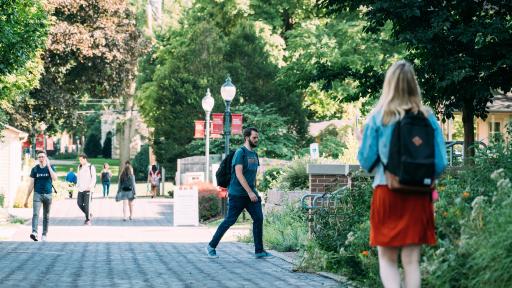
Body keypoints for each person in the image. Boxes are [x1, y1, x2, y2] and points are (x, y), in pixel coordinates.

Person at [357, 60, 447, 288]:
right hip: (418, 195)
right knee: (412, 261)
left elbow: (366, 160)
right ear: (413, 85)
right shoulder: (427, 118)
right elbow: (440, 163)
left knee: (387, 259)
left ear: (389, 84)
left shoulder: (378, 117)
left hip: (387, 192)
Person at [206, 127, 271, 259]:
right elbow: (239, 174)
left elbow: (252, 175)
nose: (256, 140)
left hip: (251, 194)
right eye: (254, 137)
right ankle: (211, 246)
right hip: (237, 194)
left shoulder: (254, 154)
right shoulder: (240, 153)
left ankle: (259, 251)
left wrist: (254, 191)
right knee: (230, 220)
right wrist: (249, 192)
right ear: (247, 138)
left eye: (257, 137)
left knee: (258, 218)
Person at [24, 152, 58, 242]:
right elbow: (31, 184)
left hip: (48, 195)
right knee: (35, 214)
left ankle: (44, 234)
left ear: (46, 158)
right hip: (37, 194)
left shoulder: (50, 168)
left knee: (46, 216)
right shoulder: (35, 169)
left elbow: (55, 178)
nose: (41, 158)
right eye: (39, 157)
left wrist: (49, 166)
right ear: (37, 158)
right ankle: (34, 233)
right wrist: (26, 199)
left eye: (43, 157)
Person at [76, 154, 96, 225]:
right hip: (81, 189)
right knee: (79, 203)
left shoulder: (91, 167)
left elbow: (94, 178)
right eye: (79, 160)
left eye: (81, 159)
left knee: (87, 205)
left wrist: (90, 187)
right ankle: (88, 213)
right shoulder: (79, 167)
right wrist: (77, 186)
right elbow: (78, 177)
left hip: (88, 189)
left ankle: (88, 220)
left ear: (85, 159)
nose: (80, 161)